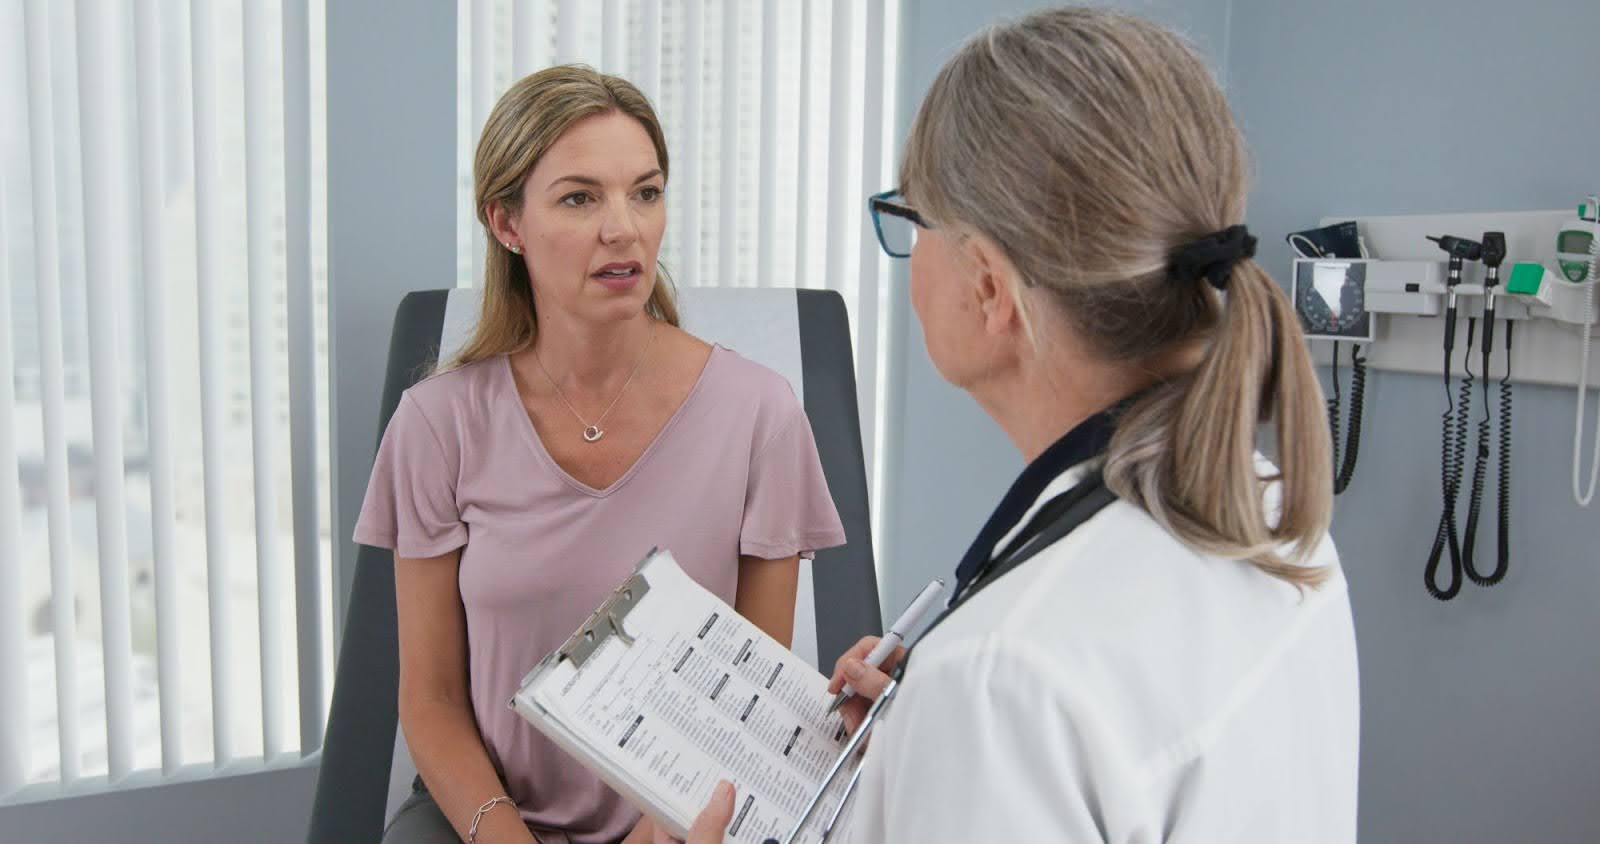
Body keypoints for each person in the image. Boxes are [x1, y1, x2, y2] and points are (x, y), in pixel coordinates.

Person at [661, 8, 1358, 843]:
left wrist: (956, 733)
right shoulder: (1270, 513)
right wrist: (922, 751)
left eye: (912, 219)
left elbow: (1028, 701)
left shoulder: (998, 681)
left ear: (989, 286)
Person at [354, 65, 847, 844]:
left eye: (645, 193)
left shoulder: (762, 416)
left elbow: (743, 710)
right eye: (580, 199)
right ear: (507, 223)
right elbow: (433, 701)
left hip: (683, 818)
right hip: (485, 819)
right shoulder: (437, 425)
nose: (624, 229)